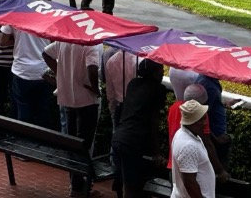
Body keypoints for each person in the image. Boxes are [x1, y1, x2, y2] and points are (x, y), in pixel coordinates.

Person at [43, 40, 103, 197]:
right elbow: (92, 69)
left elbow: (46, 53)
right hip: (87, 101)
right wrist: (95, 89)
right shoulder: (90, 45)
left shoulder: (64, 41)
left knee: (72, 142)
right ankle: (78, 187)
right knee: (84, 144)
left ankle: (76, 184)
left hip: (68, 98)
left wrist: (60, 73)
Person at [111, 59, 169, 198]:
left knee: (125, 181)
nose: (162, 72)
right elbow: (154, 121)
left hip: (119, 137)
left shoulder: (133, 84)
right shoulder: (158, 89)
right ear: (154, 72)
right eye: (160, 69)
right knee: (132, 187)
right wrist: (157, 153)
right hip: (133, 142)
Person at [0, 7, 54, 128]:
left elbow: (3, 41)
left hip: (21, 72)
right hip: (43, 72)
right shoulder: (52, 15)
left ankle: (22, 138)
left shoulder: (16, 13)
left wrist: (18, 41)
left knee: (23, 114)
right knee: (43, 113)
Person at [171, 100, 216, 198]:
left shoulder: (183, 134)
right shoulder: (188, 146)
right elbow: (190, 183)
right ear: (191, 122)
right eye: (201, 120)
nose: (204, 123)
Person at [196, 74, 231, 169]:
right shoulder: (209, 86)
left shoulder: (206, 80)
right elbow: (202, 117)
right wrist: (216, 139)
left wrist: (224, 104)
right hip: (216, 137)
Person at [104, 48, 138, 128]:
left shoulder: (111, 61)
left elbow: (110, 91)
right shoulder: (138, 59)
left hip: (120, 107)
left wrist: (112, 110)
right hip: (135, 106)